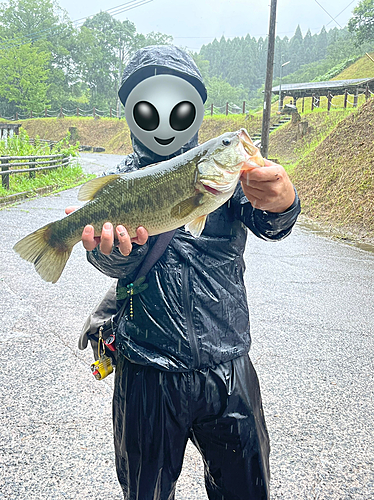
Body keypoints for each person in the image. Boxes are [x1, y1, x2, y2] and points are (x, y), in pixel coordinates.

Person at [67, 45, 300, 499]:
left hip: (229, 367)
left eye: (181, 105)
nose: (166, 119)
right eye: (149, 107)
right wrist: (113, 253)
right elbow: (111, 263)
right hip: (146, 370)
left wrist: (284, 201)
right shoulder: (120, 185)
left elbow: (274, 225)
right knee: (146, 491)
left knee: (247, 489)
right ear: (133, 112)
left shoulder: (226, 175)